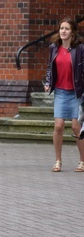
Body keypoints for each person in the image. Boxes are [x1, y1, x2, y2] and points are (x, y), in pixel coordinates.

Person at [43, 17, 84, 173]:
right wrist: (48, 82)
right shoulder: (54, 47)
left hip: (76, 92)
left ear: (72, 32)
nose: (63, 31)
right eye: (61, 28)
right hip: (60, 91)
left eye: (66, 29)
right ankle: (58, 160)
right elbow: (49, 67)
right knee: (58, 125)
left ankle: (82, 161)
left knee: (76, 127)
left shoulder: (80, 49)